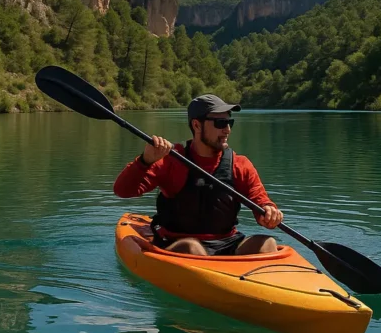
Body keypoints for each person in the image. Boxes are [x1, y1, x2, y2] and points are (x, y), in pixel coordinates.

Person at [113, 93, 284, 256]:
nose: (227, 130)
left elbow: (260, 200)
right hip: (177, 243)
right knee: (192, 247)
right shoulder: (171, 160)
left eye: (230, 122)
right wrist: (145, 160)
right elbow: (123, 190)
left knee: (267, 243)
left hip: (226, 243)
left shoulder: (240, 164)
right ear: (196, 125)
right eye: (220, 123)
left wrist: (269, 213)